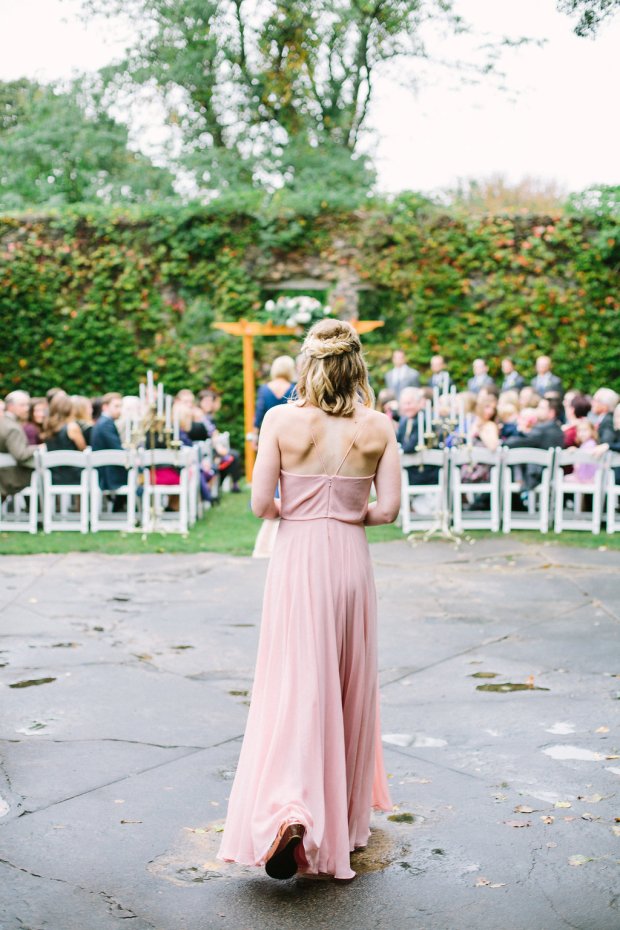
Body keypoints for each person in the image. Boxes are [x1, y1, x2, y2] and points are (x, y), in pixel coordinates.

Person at [218, 319, 400, 882]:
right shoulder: (379, 426)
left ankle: (290, 811)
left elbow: (260, 505)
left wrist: (298, 510)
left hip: (297, 559)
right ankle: (339, 822)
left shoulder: (279, 420)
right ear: (357, 366)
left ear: (308, 365)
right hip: (349, 561)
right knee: (345, 685)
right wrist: (346, 513)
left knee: (295, 685)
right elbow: (388, 510)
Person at [396, 387, 440, 486]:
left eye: (409, 403)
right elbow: (398, 440)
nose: (407, 407)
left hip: (424, 471)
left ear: (419, 403)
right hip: (407, 468)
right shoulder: (404, 420)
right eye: (404, 404)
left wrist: (399, 450)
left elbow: (411, 446)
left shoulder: (424, 419)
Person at [40, 394, 87, 484]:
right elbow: (83, 448)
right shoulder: (72, 427)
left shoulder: (47, 426)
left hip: (53, 476)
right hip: (74, 475)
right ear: (69, 409)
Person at [91, 392, 127, 500]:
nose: (120, 410)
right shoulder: (106, 424)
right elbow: (117, 449)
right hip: (108, 474)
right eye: (116, 406)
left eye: (121, 406)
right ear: (105, 407)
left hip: (107, 470)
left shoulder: (102, 422)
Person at [253, 355, 297, 443]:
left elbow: (259, 414)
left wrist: (254, 436)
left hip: (268, 435)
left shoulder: (264, 389)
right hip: (289, 436)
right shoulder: (294, 389)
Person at [0, 391, 35, 498]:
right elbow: (20, 455)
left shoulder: (3, 423)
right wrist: (37, 448)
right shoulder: (12, 428)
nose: (27, 408)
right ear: (10, 406)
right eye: (22, 405)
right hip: (11, 478)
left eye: (28, 405)